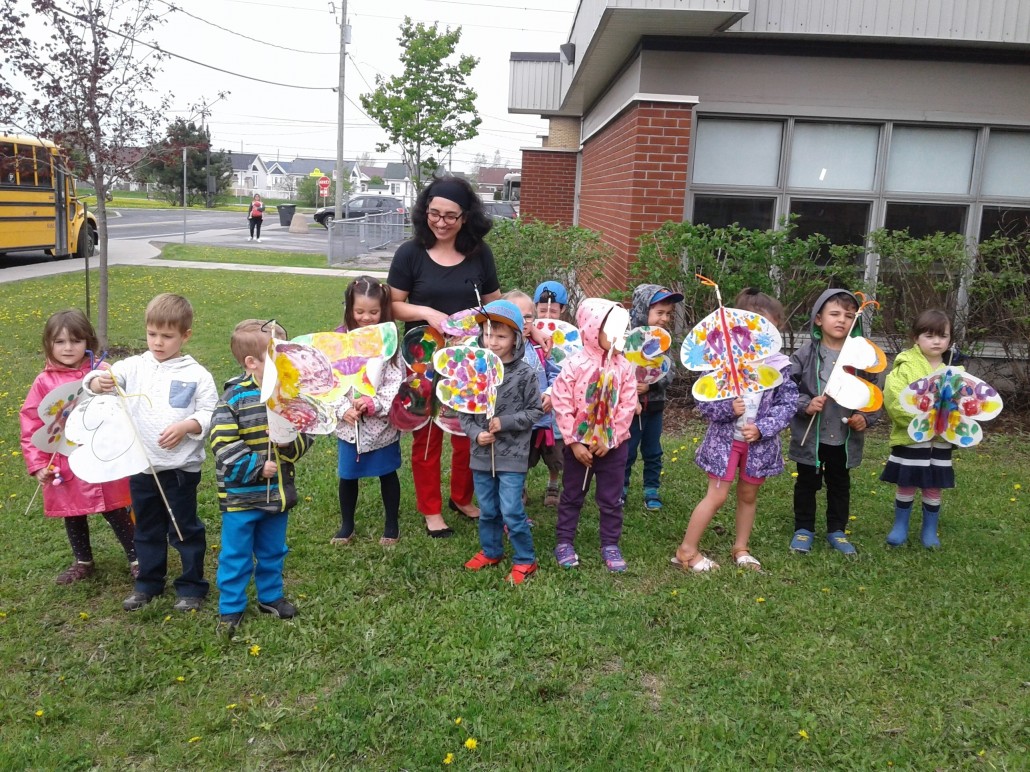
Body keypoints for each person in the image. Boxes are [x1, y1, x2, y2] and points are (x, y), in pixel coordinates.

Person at [84, 293, 218, 612]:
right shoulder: (133, 367)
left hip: (180, 470)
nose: (158, 342)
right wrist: (97, 382)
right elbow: (94, 380)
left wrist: (188, 425)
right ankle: (148, 582)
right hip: (142, 468)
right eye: (152, 334)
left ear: (185, 336)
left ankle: (191, 586)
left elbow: (211, 411)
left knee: (183, 527)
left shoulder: (196, 374)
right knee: (146, 528)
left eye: (167, 336)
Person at [387, 176, 501, 536]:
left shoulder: (479, 253)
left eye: (450, 216)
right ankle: (431, 509)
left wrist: (495, 322)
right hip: (423, 359)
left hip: (468, 360)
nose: (441, 222)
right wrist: (428, 313)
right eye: (434, 213)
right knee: (428, 433)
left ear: (465, 217)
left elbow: (495, 302)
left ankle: (462, 497)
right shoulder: (411, 253)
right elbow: (392, 305)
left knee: (468, 431)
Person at [673, 290, 799, 572]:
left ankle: (741, 548)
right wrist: (729, 409)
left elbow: (788, 403)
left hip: (759, 447)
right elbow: (705, 403)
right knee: (716, 496)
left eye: (770, 329)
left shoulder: (778, 367)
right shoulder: (722, 365)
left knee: (748, 496)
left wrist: (764, 428)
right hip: (725, 445)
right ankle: (687, 550)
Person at [210, 320, 315, 637]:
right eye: (277, 355)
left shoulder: (288, 394)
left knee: (273, 550)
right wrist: (256, 465)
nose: (286, 361)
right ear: (251, 363)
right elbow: (222, 444)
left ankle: (270, 597)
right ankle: (231, 607)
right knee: (236, 554)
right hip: (242, 499)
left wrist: (287, 445)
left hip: (277, 496)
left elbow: (304, 435)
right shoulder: (233, 400)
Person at [19, 309, 137, 585]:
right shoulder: (43, 382)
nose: (68, 347)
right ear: (48, 344)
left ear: (89, 341)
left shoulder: (101, 373)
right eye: (60, 342)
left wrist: (113, 383)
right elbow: (32, 422)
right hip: (63, 461)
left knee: (115, 507)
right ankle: (83, 560)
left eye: (75, 340)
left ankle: (137, 557)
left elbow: (123, 405)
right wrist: (37, 464)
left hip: (102, 455)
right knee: (73, 512)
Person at [787, 289, 881, 555]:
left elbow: (873, 392)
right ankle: (804, 528)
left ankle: (837, 530)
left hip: (843, 436)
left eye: (849, 316)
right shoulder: (806, 353)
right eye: (835, 314)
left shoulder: (861, 357)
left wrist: (865, 417)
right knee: (807, 482)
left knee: (840, 483)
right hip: (812, 435)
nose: (842, 320)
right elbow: (786, 388)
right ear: (818, 319)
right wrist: (806, 404)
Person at [549, 298, 638, 572]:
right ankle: (564, 540)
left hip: (612, 448)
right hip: (579, 448)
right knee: (572, 494)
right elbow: (561, 402)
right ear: (591, 328)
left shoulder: (625, 367)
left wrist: (610, 439)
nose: (616, 337)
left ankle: (610, 543)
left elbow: (627, 404)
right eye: (610, 330)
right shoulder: (575, 364)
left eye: (620, 331)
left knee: (611, 499)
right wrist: (574, 442)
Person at [460, 300, 544, 584]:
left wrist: (505, 423)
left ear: (516, 338)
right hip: (482, 454)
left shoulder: (525, 374)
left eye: (501, 336)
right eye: (487, 334)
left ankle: (525, 559)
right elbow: (464, 414)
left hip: (513, 455)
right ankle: (491, 550)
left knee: (510, 509)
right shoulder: (475, 372)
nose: (492, 341)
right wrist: (476, 434)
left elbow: (535, 411)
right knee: (488, 509)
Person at [331, 277, 404, 546]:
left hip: (381, 425)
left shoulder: (389, 342)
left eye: (373, 312)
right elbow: (330, 381)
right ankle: (347, 524)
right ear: (349, 308)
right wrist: (342, 409)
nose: (366, 318)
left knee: (387, 473)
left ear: (383, 310)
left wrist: (376, 404)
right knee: (347, 475)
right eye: (359, 311)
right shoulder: (338, 340)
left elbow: (396, 381)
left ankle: (391, 524)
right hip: (351, 426)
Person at [881, 309, 956, 549]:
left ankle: (929, 529)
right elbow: (895, 400)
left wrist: (950, 424)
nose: (936, 341)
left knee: (933, 483)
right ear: (916, 338)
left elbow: (963, 406)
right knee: (908, 481)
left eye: (942, 336)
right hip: (911, 438)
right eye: (929, 335)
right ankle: (900, 525)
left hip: (940, 441)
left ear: (950, 340)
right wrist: (922, 423)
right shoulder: (904, 368)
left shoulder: (955, 372)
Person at [622, 284, 684, 510]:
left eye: (668, 314)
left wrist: (652, 385)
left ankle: (651, 489)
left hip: (655, 406)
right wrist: (631, 387)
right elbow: (616, 370)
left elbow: (670, 372)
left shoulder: (662, 342)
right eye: (659, 313)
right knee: (626, 450)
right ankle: (621, 488)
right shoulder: (626, 340)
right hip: (629, 408)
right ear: (641, 310)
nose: (665, 318)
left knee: (653, 450)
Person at [504, 290, 562, 508]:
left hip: (547, 420)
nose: (523, 321)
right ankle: (520, 487)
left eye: (528, 316)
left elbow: (557, 374)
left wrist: (550, 393)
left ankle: (553, 484)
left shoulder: (542, 347)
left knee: (554, 456)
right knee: (520, 458)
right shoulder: (502, 348)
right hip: (518, 420)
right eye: (516, 316)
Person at [530, 281, 570, 505]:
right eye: (542, 309)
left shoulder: (570, 337)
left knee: (555, 449)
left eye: (553, 310)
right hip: (530, 401)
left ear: (562, 310)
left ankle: (553, 485)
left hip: (557, 404)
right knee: (525, 447)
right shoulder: (528, 331)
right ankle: (521, 486)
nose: (547, 314)